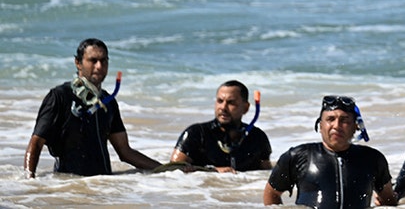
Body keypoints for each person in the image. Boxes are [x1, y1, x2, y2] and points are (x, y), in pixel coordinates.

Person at [23, 38, 161, 177]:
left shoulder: (108, 102)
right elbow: (36, 143)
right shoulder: (60, 96)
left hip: (102, 187)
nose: (99, 66)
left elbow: (125, 151)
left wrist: (166, 170)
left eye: (104, 60)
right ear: (78, 63)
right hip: (68, 188)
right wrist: (29, 181)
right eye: (93, 60)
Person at [264, 95, 397, 208]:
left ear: (356, 126)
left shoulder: (372, 159)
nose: (337, 126)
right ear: (320, 125)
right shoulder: (297, 156)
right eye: (330, 119)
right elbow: (271, 194)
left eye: (344, 120)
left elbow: (388, 200)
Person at [170, 80, 272, 172]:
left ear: (245, 108)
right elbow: (172, 170)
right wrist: (212, 171)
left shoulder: (258, 137)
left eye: (231, 103)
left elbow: (266, 174)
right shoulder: (196, 134)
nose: (223, 107)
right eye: (220, 101)